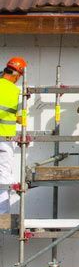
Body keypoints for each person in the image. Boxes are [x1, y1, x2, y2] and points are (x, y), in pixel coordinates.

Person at [0, 56, 26, 213]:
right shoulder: (16, 91)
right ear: (17, 75)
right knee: (3, 179)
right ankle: (2, 215)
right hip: (4, 140)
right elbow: (21, 119)